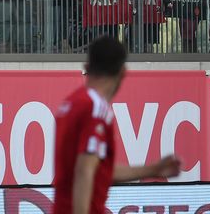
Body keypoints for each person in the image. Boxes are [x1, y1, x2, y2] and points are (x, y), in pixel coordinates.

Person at [51, 36, 180, 213]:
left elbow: (98, 171)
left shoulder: (70, 103)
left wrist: (153, 169)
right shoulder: (95, 109)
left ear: (87, 68)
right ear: (123, 73)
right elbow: (84, 171)